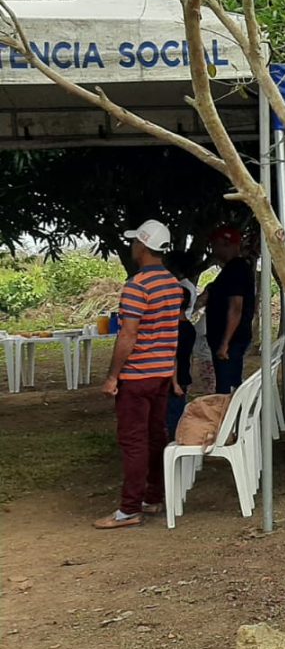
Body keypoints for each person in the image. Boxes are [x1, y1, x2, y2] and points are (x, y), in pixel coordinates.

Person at [95, 220, 185, 529]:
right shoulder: (174, 285)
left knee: (134, 441)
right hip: (160, 375)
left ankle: (129, 509)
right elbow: (171, 334)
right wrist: (172, 374)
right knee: (155, 436)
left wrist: (112, 376)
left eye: (135, 243)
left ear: (143, 247)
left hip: (136, 377)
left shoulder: (136, 286)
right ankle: (152, 498)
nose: (132, 247)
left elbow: (128, 336)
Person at [202, 226, 255, 395]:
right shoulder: (232, 269)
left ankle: (230, 418)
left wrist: (225, 342)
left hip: (231, 341)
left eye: (215, 245)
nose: (213, 250)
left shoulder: (236, 269)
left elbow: (236, 307)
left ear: (226, 243)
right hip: (228, 339)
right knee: (226, 384)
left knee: (227, 388)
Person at [165, 251, 201, 440]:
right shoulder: (188, 328)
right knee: (176, 414)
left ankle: (173, 444)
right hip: (183, 377)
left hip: (174, 381)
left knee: (172, 417)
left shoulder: (174, 330)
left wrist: (174, 383)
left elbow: (172, 357)